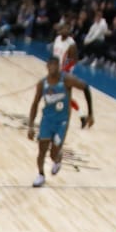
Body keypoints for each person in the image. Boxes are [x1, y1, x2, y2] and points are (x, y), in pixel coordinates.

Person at [28, 57, 95, 188]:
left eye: (55, 65)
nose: (52, 67)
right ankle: (41, 175)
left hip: (61, 122)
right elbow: (35, 104)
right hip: (47, 120)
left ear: (58, 66)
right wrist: (30, 126)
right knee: (42, 149)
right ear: (47, 66)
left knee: (53, 153)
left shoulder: (67, 80)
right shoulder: (42, 84)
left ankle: (58, 158)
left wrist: (90, 113)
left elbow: (86, 87)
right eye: (50, 65)